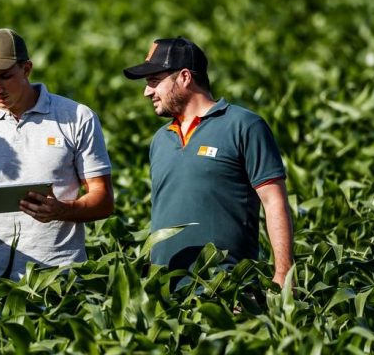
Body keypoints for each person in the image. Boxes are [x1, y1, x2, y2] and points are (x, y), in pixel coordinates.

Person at [123, 36, 294, 287]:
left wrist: (283, 276)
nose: (147, 91)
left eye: (154, 81)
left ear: (184, 77)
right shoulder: (160, 139)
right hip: (164, 294)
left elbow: (274, 201)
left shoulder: (244, 126)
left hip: (226, 289)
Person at [0, 27, 114, 280]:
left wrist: (61, 210)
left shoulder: (77, 117)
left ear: (27, 69)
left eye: (4, 76)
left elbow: (103, 200)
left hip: (62, 278)